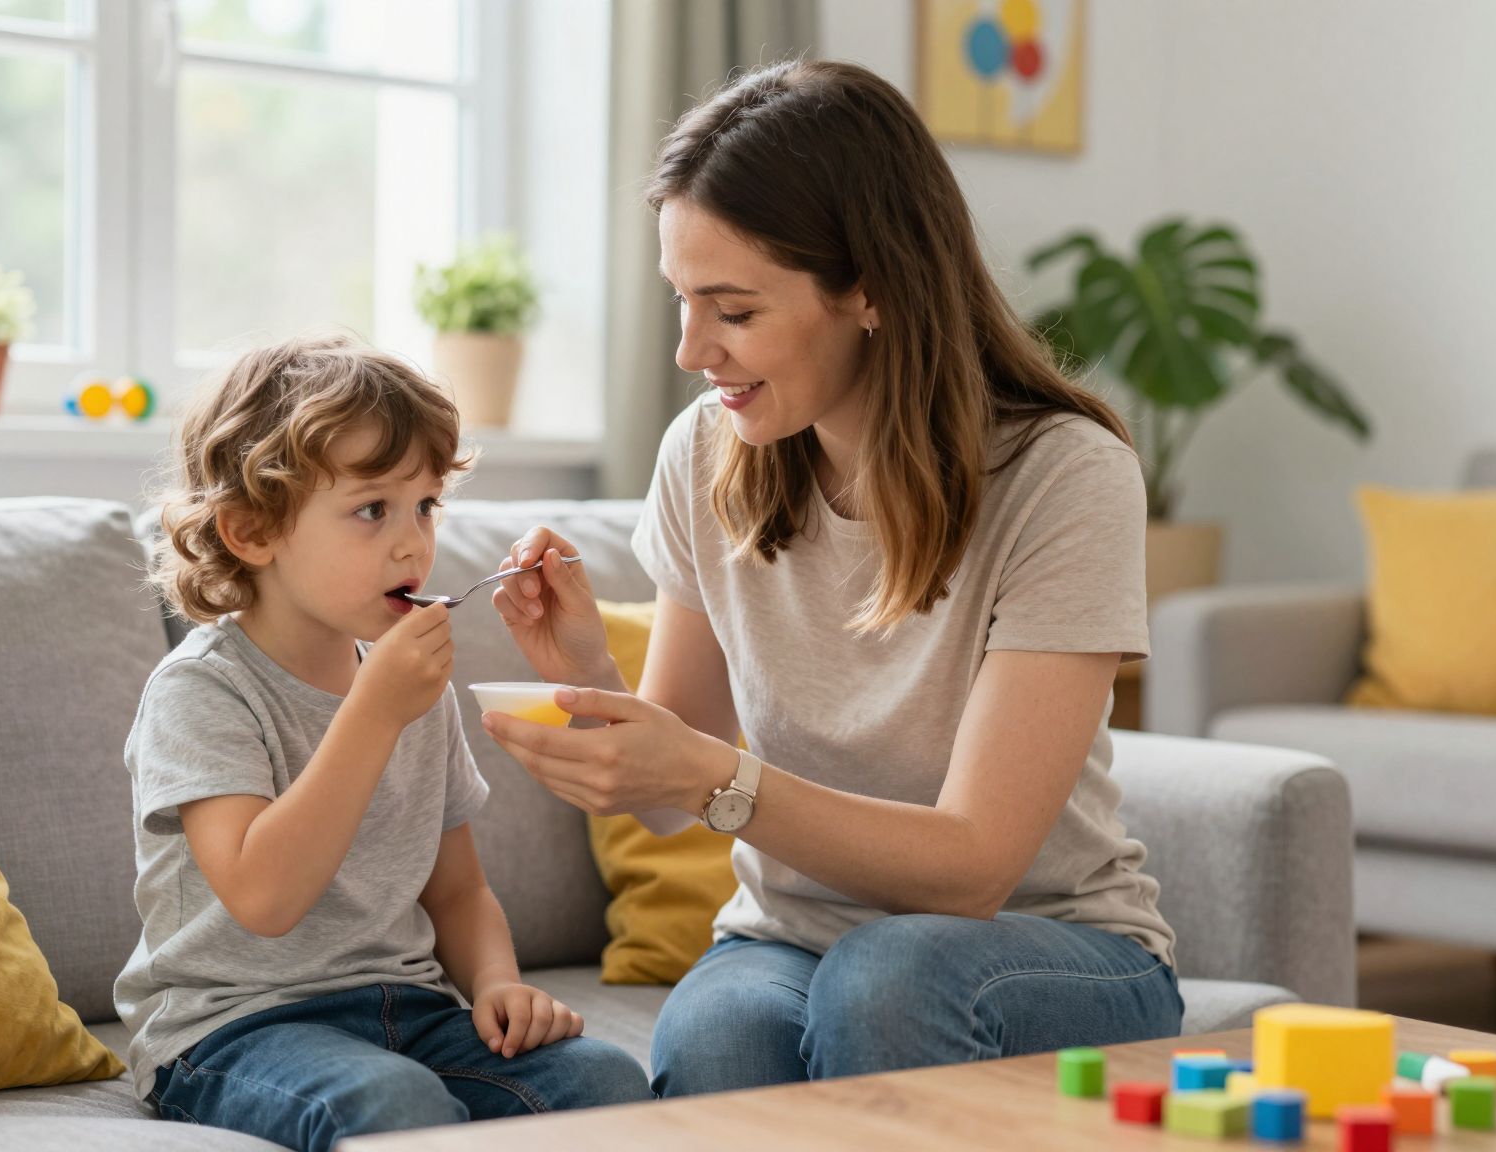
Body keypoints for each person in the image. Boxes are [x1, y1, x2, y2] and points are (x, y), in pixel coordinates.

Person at [480, 60, 1184, 1097]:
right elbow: (675, 802)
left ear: (868, 286)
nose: (689, 350)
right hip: (787, 937)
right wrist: (586, 672)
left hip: (1043, 944)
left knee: (886, 980)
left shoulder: (1063, 476)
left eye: (733, 310)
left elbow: (974, 863)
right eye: (682, 301)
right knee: (719, 1037)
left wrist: (709, 778)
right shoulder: (705, 455)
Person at [117, 332, 650, 1151]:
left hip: (414, 1010)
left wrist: (499, 984)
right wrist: (373, 712)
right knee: (394, 1108)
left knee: (605, 1083)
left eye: (426, 505)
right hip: (233, 1030)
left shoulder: (406, 687)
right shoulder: (204, 692)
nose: (413, 543)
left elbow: (458, 893)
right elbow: (264, 897)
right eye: (373, 510)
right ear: (252, 530)